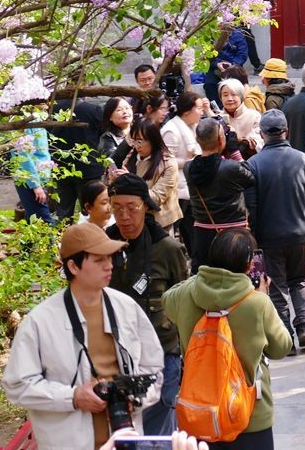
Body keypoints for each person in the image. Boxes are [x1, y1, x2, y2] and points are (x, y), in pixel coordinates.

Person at [1, 222, 164, 449]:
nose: (109, 266)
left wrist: (135, 398)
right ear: (73, 266)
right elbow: (17, 385)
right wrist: (73, 398)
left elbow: (153, 368)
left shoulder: (126, 307)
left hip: (124, 438)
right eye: (99, 260)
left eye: (110, 258)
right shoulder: (40, 321)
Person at [163, 228, 293, 450]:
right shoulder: (256, 303)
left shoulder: (186, 295)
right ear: (249, 263)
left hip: (200, 413)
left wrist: (199, 279)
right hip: (250, 414)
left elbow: (166, 299)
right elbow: (281, 347)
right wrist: (264, 299)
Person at [105, 174, 189, 436]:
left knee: (158, 429)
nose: (124, 216)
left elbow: (182, 302)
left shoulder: (167, 249)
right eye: (117, 208)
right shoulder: (104, 246)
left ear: (146, 206)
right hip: (117, 354)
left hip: (163, 351)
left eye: (132, 208)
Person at [246, 110, 305, 347]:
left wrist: (254, 236)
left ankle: (285, 331)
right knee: (300, 280)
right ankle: (304, 326)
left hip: (270, 235)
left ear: (262, 134)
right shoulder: (304, 159)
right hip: (301, 231)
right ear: (286, 131)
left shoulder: (254, 164)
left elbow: (251, 205)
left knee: (275, 285)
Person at [187, 117, 255, 269]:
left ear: (197, 139)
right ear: (220, 139)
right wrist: (234, 150)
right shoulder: (230, 168)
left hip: (202, 233)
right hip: (234, 235)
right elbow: (250, 176)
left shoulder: (188, 168)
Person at [47, 98, 106, 220]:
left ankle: (63, 237)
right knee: (92, 209)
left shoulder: (54, 108)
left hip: (61, 166)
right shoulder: (93, 109)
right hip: (88, 167)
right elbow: (102, 133)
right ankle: (94, 236)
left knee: (63, 212)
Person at [161, 91, 204, 257]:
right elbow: (165, 162)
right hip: (176, 189)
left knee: (192, 232)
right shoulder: (171, 130)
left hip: (189, 188)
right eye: (199, 108)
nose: (201, 112)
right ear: (187, 111)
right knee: (174, 229)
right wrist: (189, 162)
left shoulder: (191, 127)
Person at [124, 118, 182, 232]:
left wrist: (130, 181)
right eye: (134, 140)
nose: (136, 146)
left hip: (159, 222)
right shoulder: (132, 156)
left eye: (140, 141)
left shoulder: (167, 163)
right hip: (134, 218)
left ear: (153, 140)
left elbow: (156, 198)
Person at [11, 128, 57, 225]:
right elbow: (23, 156)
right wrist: (35, 185)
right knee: (44, 221)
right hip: (28, 179)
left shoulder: (39, 120)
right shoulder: (24, 125)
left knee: (32, 219)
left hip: (40, 176)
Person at [218, 79, 263, 159]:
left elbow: (260, 143)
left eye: (234, 94)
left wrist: (243, 141)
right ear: (220, 98)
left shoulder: (254, 116)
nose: (229, 99)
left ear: (241, 96)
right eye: (225, 95)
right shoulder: (218, 119)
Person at [204, 28, 249, 103]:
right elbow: (206, 56)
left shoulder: (238, 35)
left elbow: (242, 56)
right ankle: (217, 108)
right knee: (209, 84)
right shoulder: (210, 35)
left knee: (236, 84)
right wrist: (217, 64)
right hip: (215, 66)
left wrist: (231, 65)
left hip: (233, 67)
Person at [98, 97, 134, 164]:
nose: (125, 112)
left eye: (127, 108)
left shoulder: (140, 130)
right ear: (110, 117)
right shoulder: (108, 137)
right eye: (119, 110)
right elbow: (110, 162)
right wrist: (128, 140)